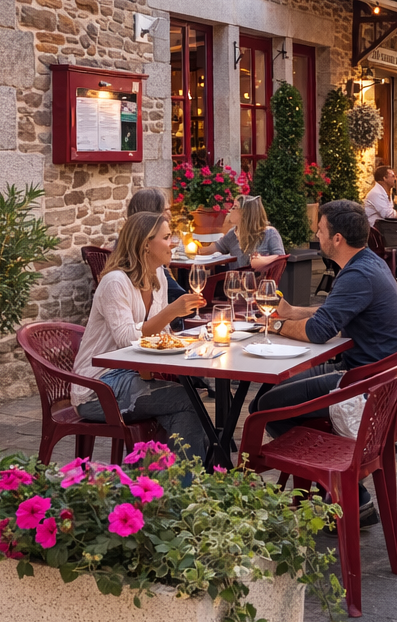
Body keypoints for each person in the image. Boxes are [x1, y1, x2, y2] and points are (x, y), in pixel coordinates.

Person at [253, 200, 397, 525]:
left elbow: (318, 332)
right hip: (381, 377)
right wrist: (290, 312)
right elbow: (334, 313)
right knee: (277, 392)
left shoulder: (357, 274)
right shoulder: (367, 262)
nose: (316, 234)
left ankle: (341, 485)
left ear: (337, 238)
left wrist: (276, 326)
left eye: (321, 229)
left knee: (264, 407)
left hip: (368, 388)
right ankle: (345, 491)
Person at [72, 211, 211, 461]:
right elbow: (127, 338)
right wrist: (171, 311)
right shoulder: (115, 282)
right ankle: (185, 487)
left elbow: (161, 334)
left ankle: (165, 484)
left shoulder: (157, 275)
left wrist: (190, 339)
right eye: (167, 237)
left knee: (186, 404)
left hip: (134, 375)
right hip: (98, 386)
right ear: (146, 243)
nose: (173, 243)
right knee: (186, 400)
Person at [124, 187, 186, 304]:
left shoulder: (158, 272)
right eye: (166, 209)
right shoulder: (123, 275)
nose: (170, 215)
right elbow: (179, 301)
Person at [202, 195, 284, 270]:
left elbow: (281, 262)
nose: (230, 210)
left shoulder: (270, 233)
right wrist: (194, 247)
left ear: (245, 213)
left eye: (234, 207)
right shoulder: (232, 234)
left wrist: (262, 260)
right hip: (236, 285)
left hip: (263, 284)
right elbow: (213, 248)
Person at [363, 165, 397, 280]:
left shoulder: (386, 192)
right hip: (377, 236)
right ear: (384, 178)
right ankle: (391, 276)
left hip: (387, 233)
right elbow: (388, 214)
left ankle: (393, 275)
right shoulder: (376, 193)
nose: (395, 178)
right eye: (392, 176)